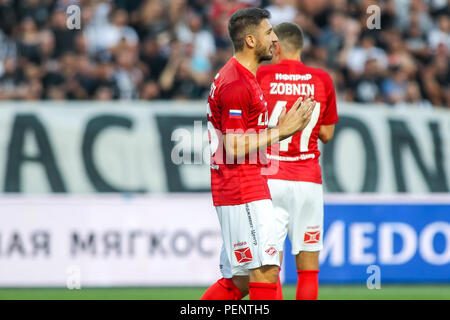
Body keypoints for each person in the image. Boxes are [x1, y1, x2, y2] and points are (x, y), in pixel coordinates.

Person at [201, 8, 316, 300]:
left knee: (238, 282)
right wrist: (282, 131)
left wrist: (274, 128)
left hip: (242, 187)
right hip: (243, 189)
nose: (275, 38)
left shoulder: (242, 76)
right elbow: (234, 145)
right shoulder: (237, 84)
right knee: (265, 271)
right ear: (250, 40)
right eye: (268, 32)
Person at [256, 22, 339, 300]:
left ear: (277, 46)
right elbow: (326, 133)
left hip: (270, 177)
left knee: (270, 265)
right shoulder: (322, 79)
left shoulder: (262, 74)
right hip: (308, 181)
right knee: (308, 269)